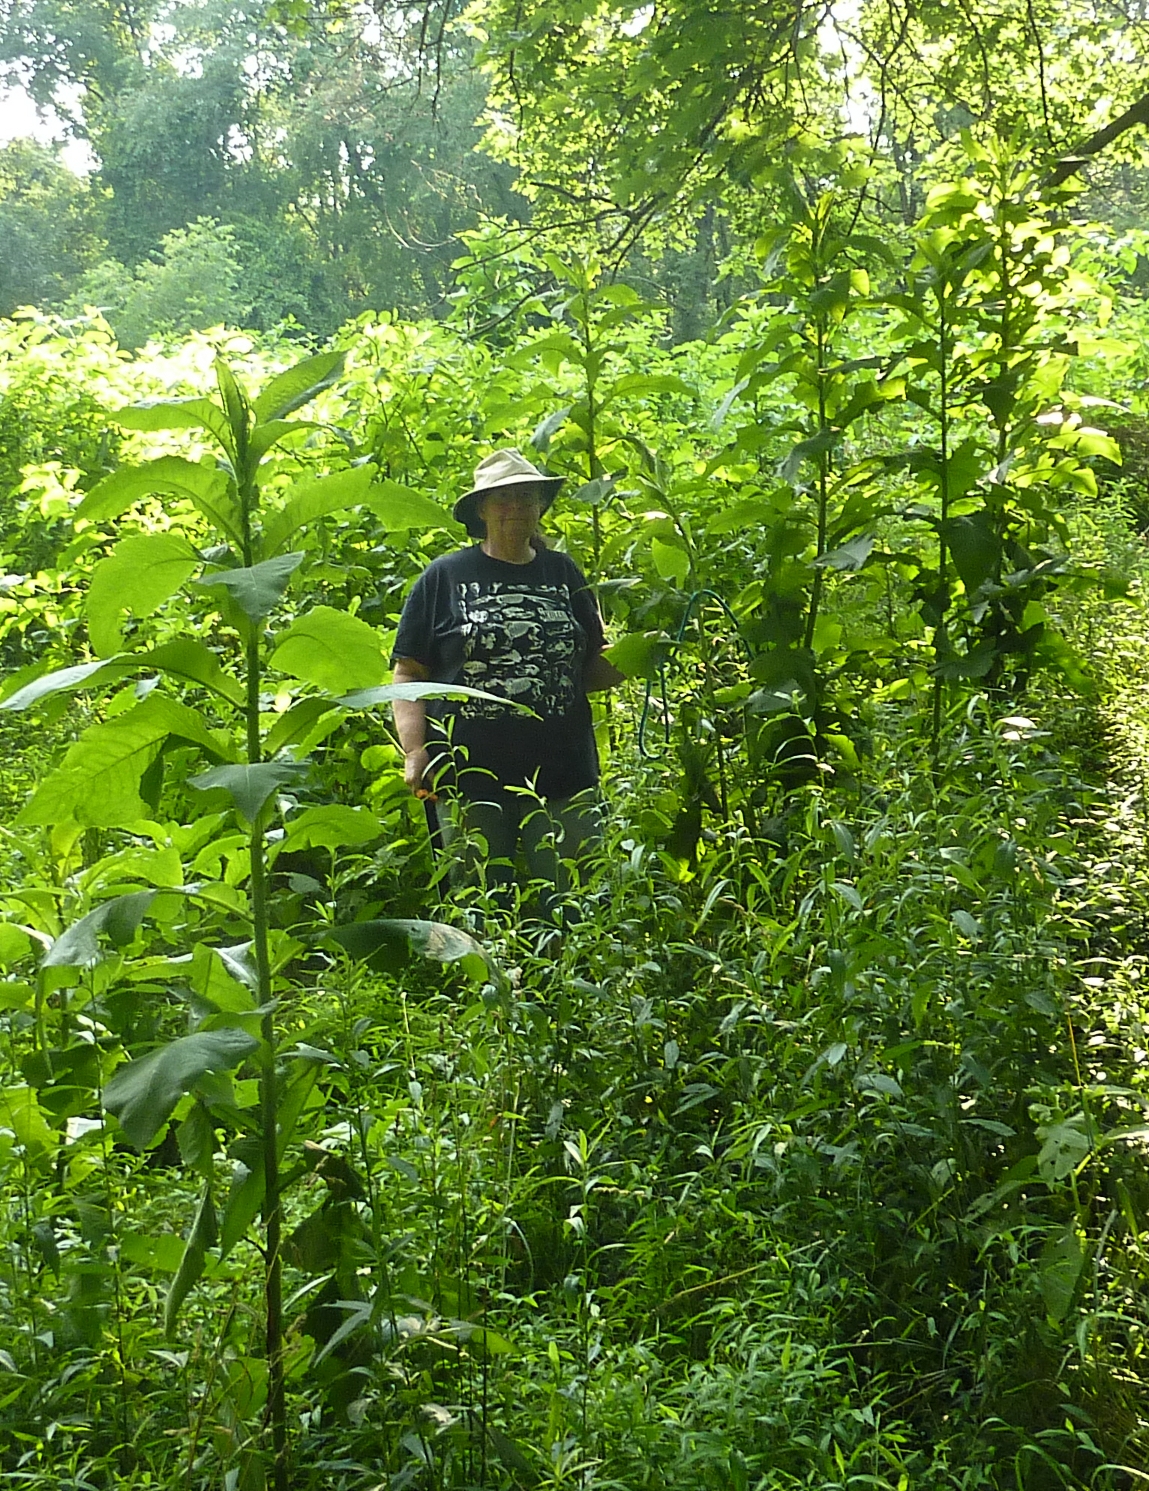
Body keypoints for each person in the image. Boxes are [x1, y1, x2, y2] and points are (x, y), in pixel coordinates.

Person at [390, 449, 623, 919]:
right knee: (477, 905)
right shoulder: (444, 577)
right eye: (503, 499)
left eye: (526, 497)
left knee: (573, 904)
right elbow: (408, 672)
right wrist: (415, 751)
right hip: (468, 772)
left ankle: (565, 993)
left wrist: (640, 653)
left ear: (541, 505)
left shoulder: (562, 572)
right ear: (481, 509)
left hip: (563, 771)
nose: (514, 508)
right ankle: (484, 989)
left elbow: (590, 668)